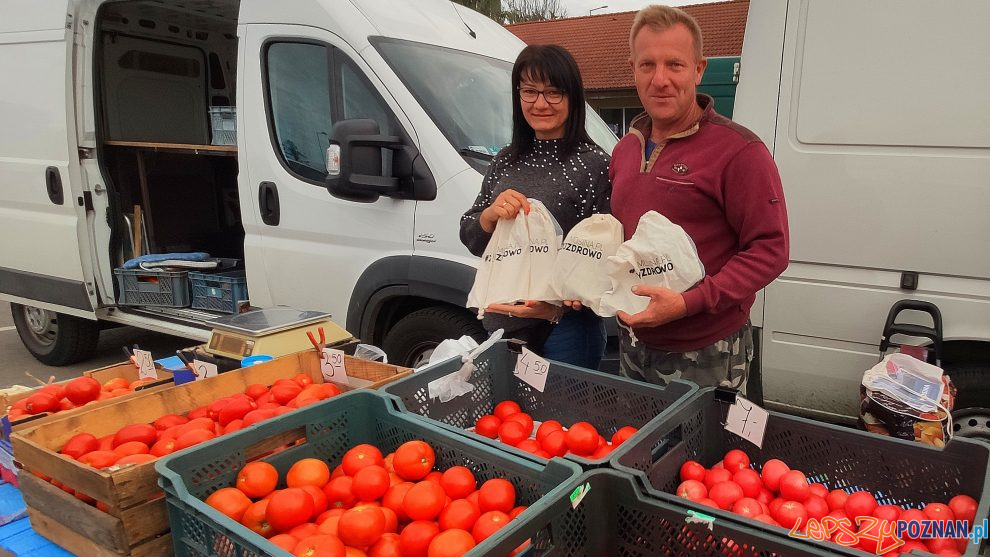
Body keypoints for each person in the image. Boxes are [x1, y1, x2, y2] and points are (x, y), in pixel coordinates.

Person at [608, 5, 789, 390]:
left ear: (699, 69)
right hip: (633, 343)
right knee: (637, 448)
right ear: (633, 69)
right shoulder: (624, 149)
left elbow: (770, 249)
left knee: (706, 453)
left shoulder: (739, 151)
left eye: (674, 64)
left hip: (708, 351)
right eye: (647, 65)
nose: (660, 79)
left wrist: (690, 303)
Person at [460, 45, 611, 369]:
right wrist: (489, 215)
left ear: (573, 97)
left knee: (562, 422)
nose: (540, 103)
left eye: (553, 93)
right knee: (509, 419)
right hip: (503, 327)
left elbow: (606, 262)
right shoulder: (504, 160)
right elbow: (472, 237)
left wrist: (556, 307)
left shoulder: (594, 165)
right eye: (530, 91)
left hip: (566, 334)